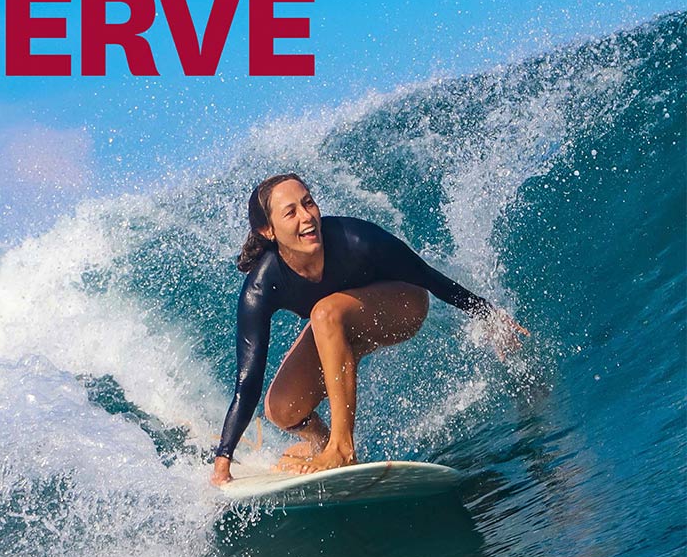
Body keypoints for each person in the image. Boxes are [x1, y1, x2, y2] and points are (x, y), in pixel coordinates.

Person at [211, 173, 528, 486]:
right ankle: (323, 447)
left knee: (323, 313)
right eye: (290, 212)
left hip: (402, 305)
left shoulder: (356, 240)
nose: (307, 217)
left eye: (309, 203)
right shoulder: (262, 286)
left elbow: (427, 277)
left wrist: (487, 314)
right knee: (282, 409)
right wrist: (223, 460)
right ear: (268, 230)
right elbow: (247, 381)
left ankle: (341, 448)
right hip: (340, 325)